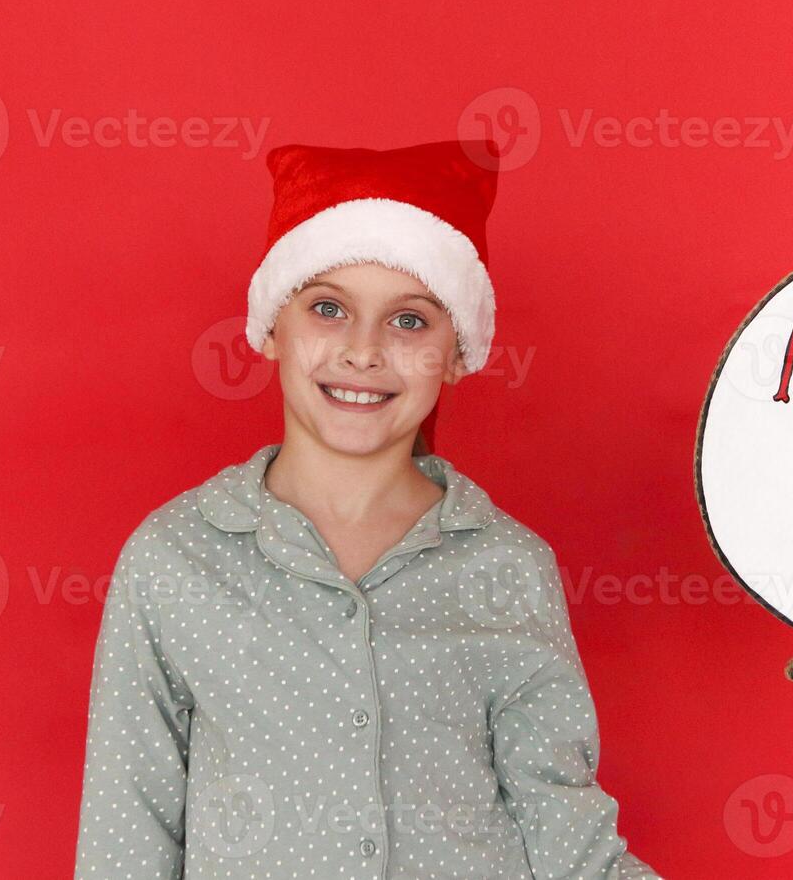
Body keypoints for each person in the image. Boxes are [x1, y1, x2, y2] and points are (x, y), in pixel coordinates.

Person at [74, 141, 661, 879]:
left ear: (456, 352)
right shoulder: (175, 558)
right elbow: (125, 837)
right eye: (327, 308)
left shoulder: (506, 566)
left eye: (409, 322)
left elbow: (563, 829)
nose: (362, 350)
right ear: (271, 329)